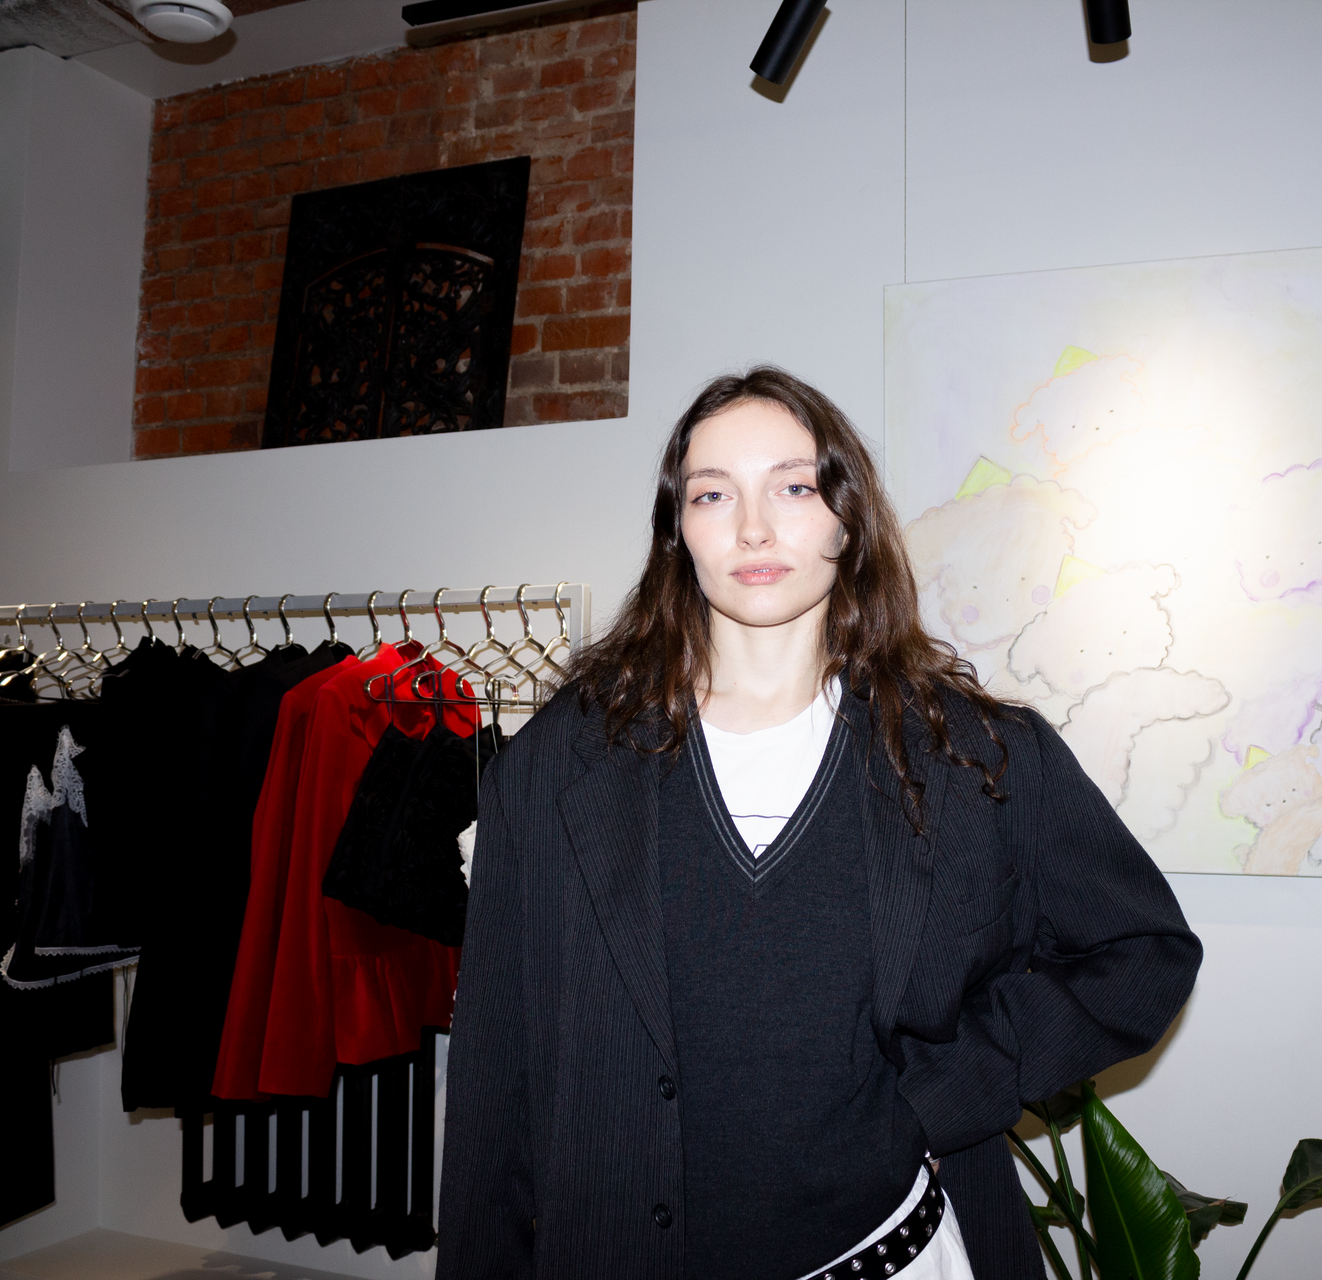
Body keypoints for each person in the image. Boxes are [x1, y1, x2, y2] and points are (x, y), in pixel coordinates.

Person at [436, 367, 1201, 1280]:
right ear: (678, 532)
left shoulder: (974, 756)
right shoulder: (558, 768)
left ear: (847, 520)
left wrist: (962, 1082)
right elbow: (495, 1079)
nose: (753, 528)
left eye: (794, 488)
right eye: (713, 494)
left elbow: (1143, 953)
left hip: (897, 1256)